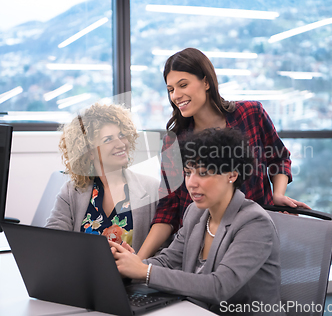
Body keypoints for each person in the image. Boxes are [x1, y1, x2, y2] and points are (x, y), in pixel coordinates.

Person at [137, 47, 309, 259]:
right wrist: (138, 261)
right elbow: (168, 209)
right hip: (198, 245)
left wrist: (278, 194)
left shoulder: (250, 114)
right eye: (171, 89)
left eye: (183, 85)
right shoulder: (175, 142)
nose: (176, 95)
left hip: (250, 237)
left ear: (206, 82)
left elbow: (279, 158)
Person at [110, 128, 283, 316]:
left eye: (203, 173)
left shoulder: (255, 223)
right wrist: (128, 265)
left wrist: (145, 271)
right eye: (188, 172)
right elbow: (168, 260)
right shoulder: (195, 212)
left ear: (232, 175)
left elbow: (219, 287)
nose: (191, 183)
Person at [45, 103, 161, 253]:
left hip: (130, 276)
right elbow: (51, 239)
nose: (120, 144)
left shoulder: (152, 189)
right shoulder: (72, 191)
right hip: (82, 275)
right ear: (89, 151)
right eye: (108, 140)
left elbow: (166, 251)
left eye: (121, 136)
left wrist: (138, 266)